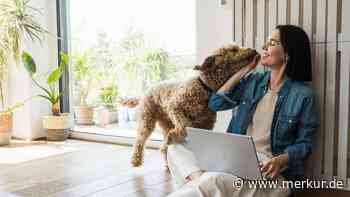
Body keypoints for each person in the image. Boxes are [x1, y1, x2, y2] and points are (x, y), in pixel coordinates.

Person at [166, 25, 319, 197]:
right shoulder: (254, 82)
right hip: (235, 160)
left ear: (287, 53)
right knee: (175, 147)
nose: (264, 47)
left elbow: (305, 144)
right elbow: (215, 103)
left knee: (214, 181)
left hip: (270, 172)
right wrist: (245, 70)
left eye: (272, 42)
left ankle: (205, 181)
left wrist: (281, 160)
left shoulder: (303, 95)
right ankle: (203, 180)